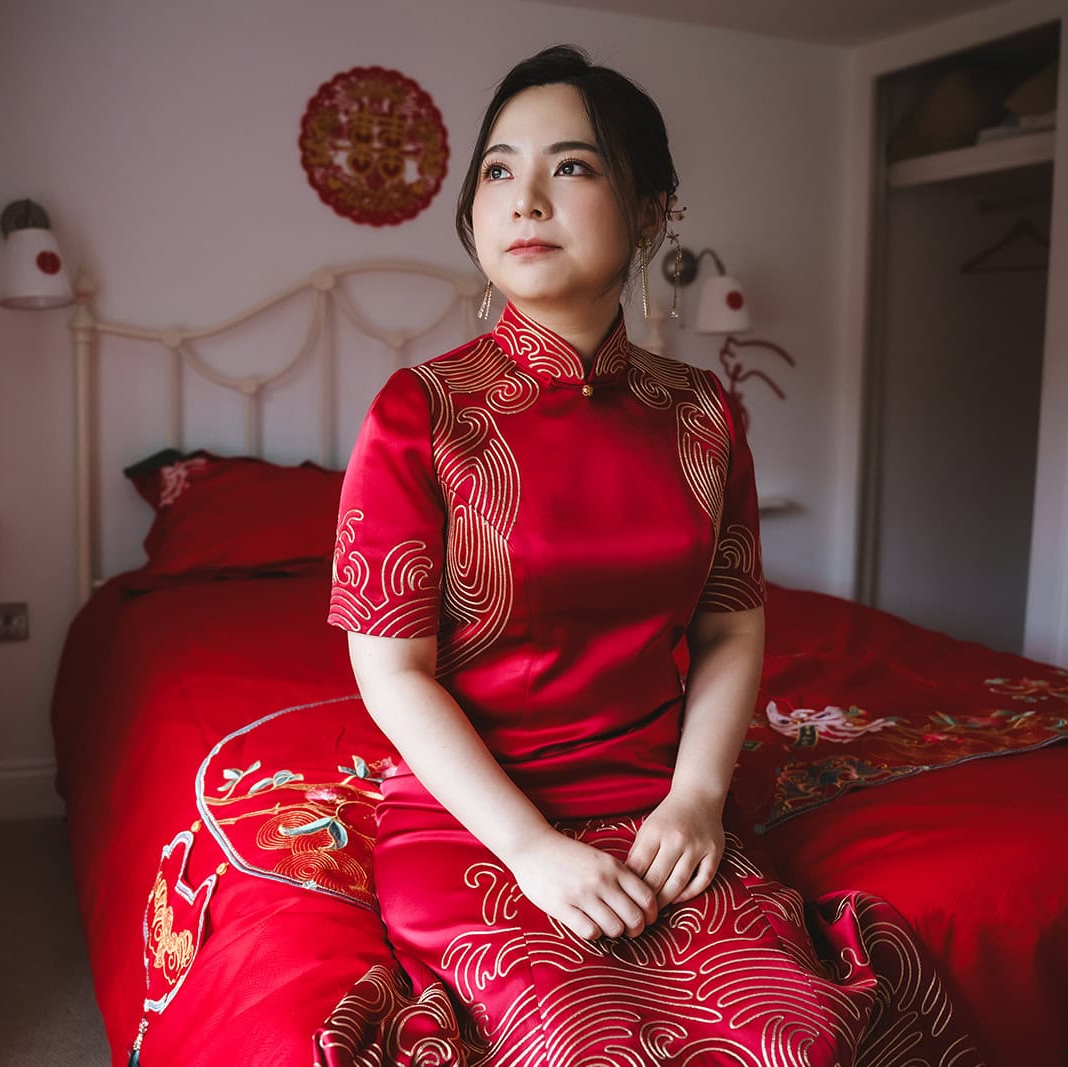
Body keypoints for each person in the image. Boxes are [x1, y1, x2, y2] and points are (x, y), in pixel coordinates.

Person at [319, 44, 981, 1066]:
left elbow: (729, 626)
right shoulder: (422, 413)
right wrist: (535, 851)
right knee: (577, 1040)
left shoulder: (703, 412)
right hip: (477, 826)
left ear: (653, 208)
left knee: (791, 1030)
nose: (524, 198)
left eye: (570, 167)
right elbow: (388, 668)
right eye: (498, 170)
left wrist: (697, 796)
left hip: (660, 801)